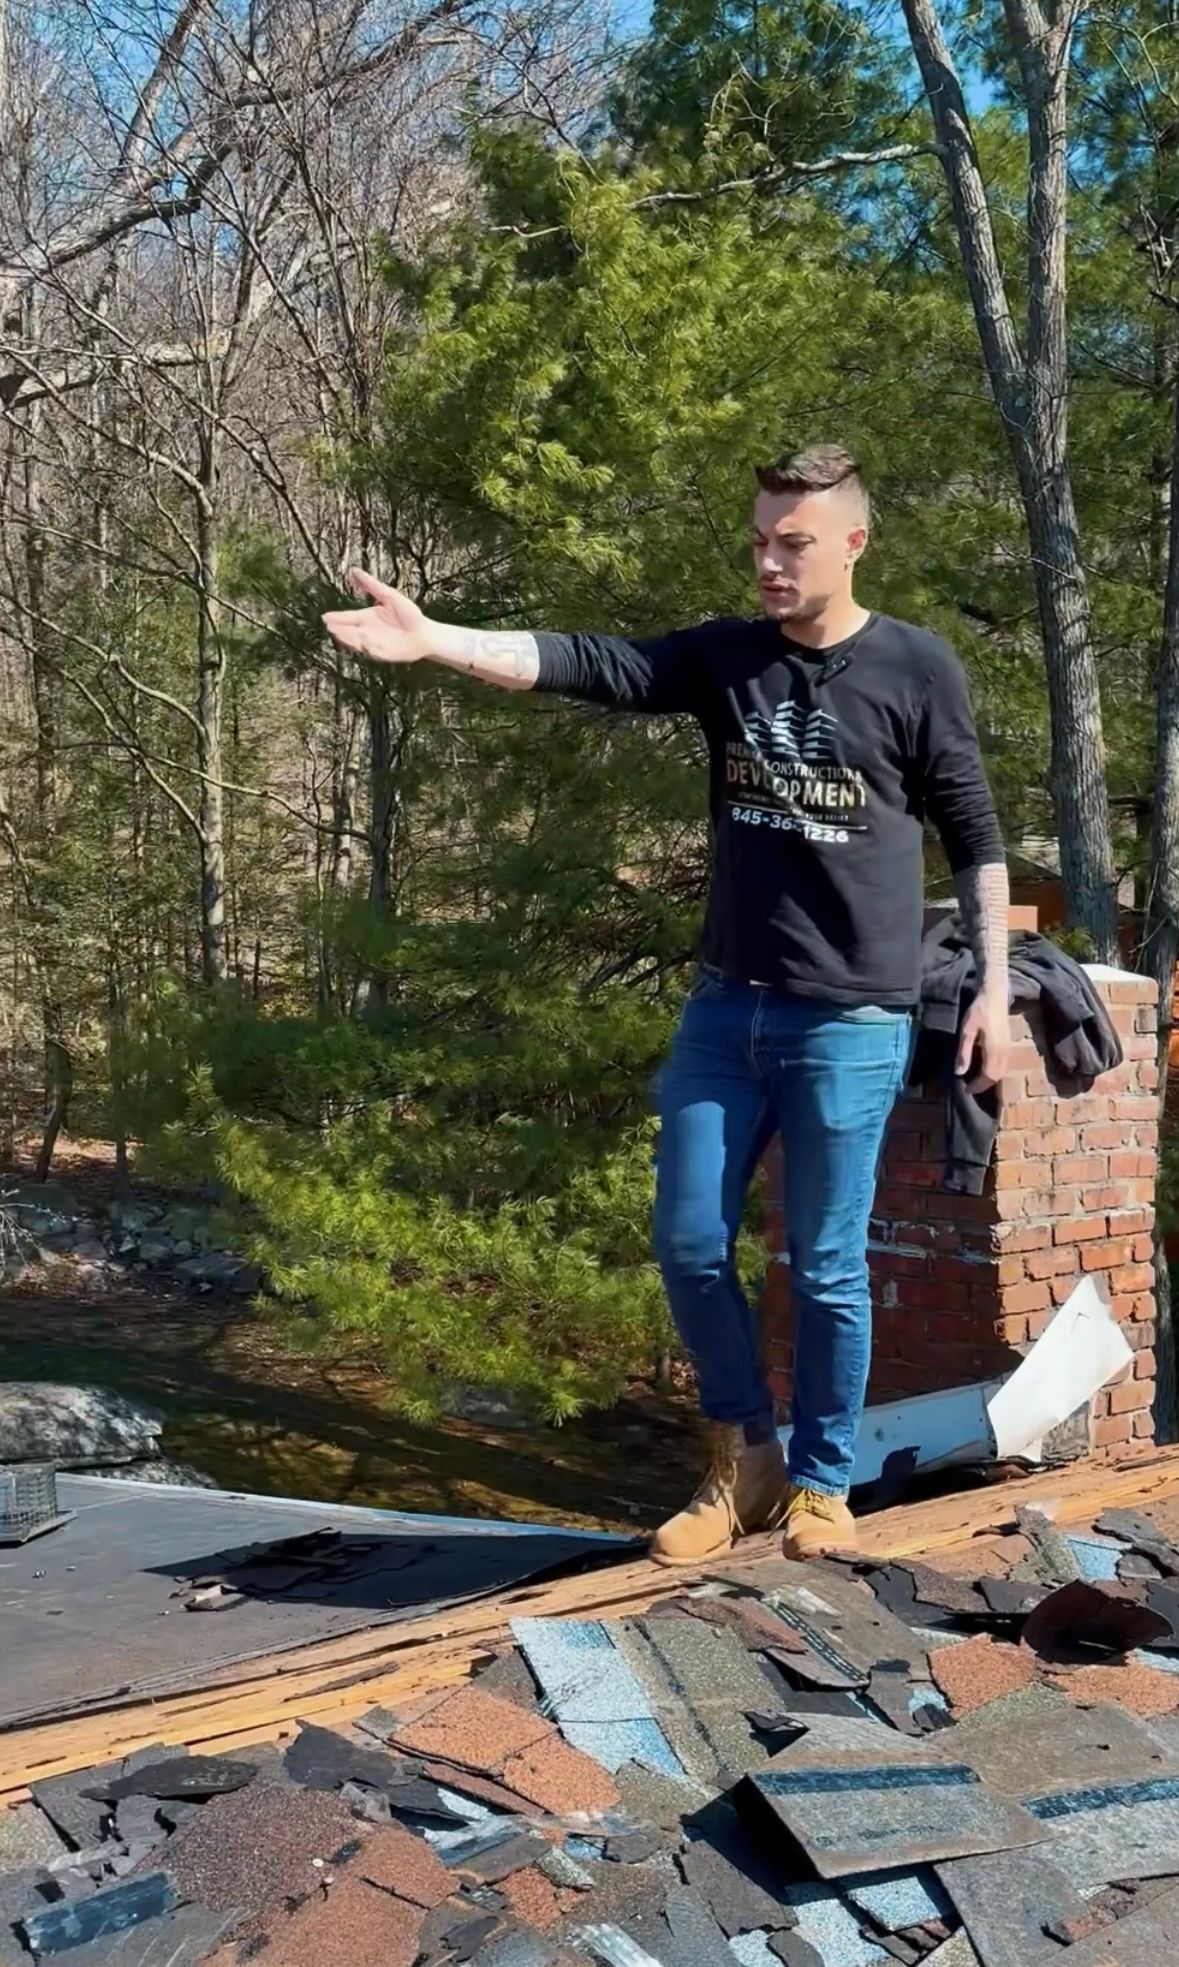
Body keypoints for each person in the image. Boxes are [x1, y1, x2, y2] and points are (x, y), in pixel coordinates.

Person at [322, 444, 1010, 1565]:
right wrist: (438, 639)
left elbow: (977, 836)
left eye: (792, 542)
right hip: (725, 1012)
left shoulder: (916, 668)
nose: (770, 563)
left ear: (853, 542)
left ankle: (822, 1482)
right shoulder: (727, 658)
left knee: (827, 1263)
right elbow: (590, 664)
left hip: (852, 1018)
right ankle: (746, 1458)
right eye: (758, 541)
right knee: (691, 1241)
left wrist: (988, 985)